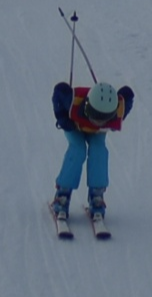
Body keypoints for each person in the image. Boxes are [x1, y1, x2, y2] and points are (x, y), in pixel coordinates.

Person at [50, 80, 136, 229]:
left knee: (99, 152)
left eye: (103, 119)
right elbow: (59, 91)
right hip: (75, 126)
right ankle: (62, 194)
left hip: (97, 133)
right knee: (77, 150)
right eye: (95, 116)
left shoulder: (118, 108)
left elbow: (128, 96)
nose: (97, 122)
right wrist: (63, 119)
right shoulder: (73, 101)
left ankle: (97, 195)